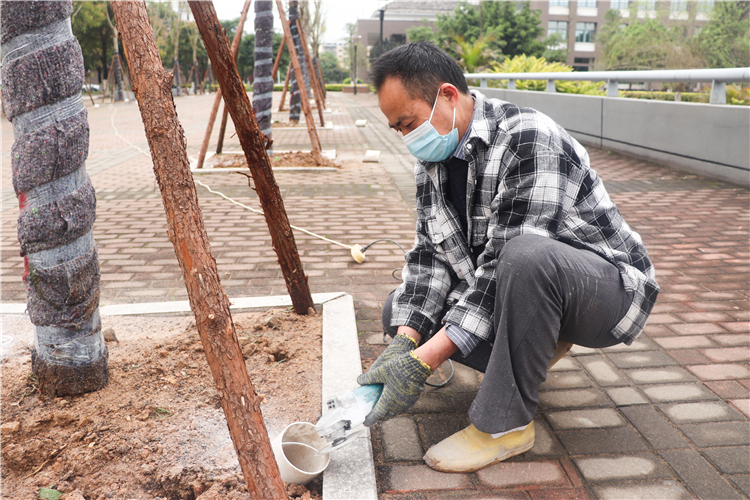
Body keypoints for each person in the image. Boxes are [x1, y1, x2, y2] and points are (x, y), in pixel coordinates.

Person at [356, 42, 659, 473]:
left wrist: (423, 362)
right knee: (399, 312)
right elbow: (430, 257)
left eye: (408, 123)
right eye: (396, 129)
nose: (406, 137)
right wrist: (405, 344)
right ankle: (534, 346)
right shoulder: (432, 163)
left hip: (605, 292)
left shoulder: (528, 136)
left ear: (447, 95)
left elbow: (503, 264)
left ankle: (504, 427)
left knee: (524, 255)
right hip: (527, 283)